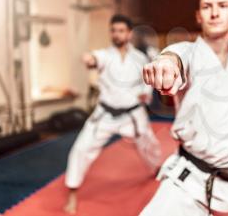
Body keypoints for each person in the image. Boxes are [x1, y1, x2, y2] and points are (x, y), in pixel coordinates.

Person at [140, 0, 228, 215]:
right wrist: (167, 65)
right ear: (198, 15)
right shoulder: (187, 51)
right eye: (206, 7)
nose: (214, 13)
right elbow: (175, 58)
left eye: (222, 6)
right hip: (192, 178)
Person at [64, 14, 161, 214]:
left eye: (121, 31)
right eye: (113, 30)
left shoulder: (140, 58)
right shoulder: (104, 55)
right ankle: (72, 193)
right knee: (81, 149)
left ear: (129, 33)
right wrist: (89, 59)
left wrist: (146, 94)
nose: (116, 34)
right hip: (105, 114)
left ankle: (158, 171)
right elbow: (94, 60)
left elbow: (147, 82)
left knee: (149, 145)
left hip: (132, 114)